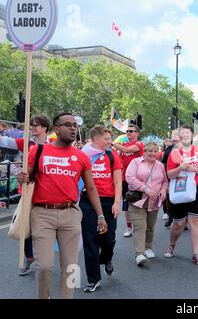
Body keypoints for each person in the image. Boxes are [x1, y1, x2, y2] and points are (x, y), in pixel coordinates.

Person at [17, 112, 107, 299]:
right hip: (42, 214)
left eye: (75, 125)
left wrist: (100, 215)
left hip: (71, 214)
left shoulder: (81, 157)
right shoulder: (40, 151)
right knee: (43, 266)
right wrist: (23, 177)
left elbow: (90, 188)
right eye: (68, 125)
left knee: (71, 267)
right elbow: (28, 178)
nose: (73, 128)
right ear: (56, 129)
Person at [0, 115, 51, 276]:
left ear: (45, 128)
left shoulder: (55, 145)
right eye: (31, 125)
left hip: (47, 192)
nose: (32, 127)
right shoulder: (26, 142)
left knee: (43, 228)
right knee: (25, 226)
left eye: (36, 125)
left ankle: (43, 257)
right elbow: (5, 142)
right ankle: (29, 256)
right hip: (28, 190)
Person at [80, 126, 122, 293]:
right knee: (90, 239)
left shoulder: (112, 155)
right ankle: (93, 279)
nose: (110, 142)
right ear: (95, 138)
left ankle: (107, 258)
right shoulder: (82, 156)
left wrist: (117, 203)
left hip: (108, 201)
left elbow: (118, 181)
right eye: (106, 139)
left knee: (108, 239)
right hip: (87, 202)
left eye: (110, 139)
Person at [164, 125, 198, 265]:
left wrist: (193, 168)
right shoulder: (174, 153)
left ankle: (196, 254)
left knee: (196, 221)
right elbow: (169, 175)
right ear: (179, 136)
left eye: (187, 133)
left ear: (192, 136)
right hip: (180, 189)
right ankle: (172, 245)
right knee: (179, 223)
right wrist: (180, 168)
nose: (185, 135)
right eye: (182, 133)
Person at [126, 142, 168, 266]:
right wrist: (145, 189)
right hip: (138, 200)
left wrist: (163, 190)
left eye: (155, 151)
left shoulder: (160, 165)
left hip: (154, 202)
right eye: (150, 151)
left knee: (150, 226)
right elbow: (129, 177)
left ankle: (148, 247)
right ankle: (139, 254)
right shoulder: (135, 162)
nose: (153, 153)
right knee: (140, 227)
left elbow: (165, 181)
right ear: (144, 152)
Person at [113, 124, 144, 238]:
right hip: (125, 178)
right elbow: (116, 156)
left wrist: (113, 143)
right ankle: (129, 227)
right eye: (127, 131)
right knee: (126, 203)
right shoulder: (124, 145)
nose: (129, 133)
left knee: (138, 203)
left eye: (131, 131)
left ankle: (139, 226)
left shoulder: (139, 144)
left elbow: (126, 150)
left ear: (137, 133)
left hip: (138, 179)